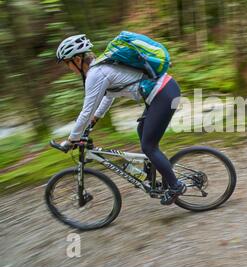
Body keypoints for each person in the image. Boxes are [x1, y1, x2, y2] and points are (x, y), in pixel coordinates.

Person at [55, 34, 186, 205]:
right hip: (162, 92)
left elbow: (86, 111)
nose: (68, 67)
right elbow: (108, 97)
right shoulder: (101, 67)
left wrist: (72, 138)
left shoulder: (96, 73)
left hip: (163, 94)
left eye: (67, 63)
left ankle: (176, 185)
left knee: (148, 145)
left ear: (78, 60)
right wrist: (94, 120)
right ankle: (157, 177)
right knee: (143, 133)